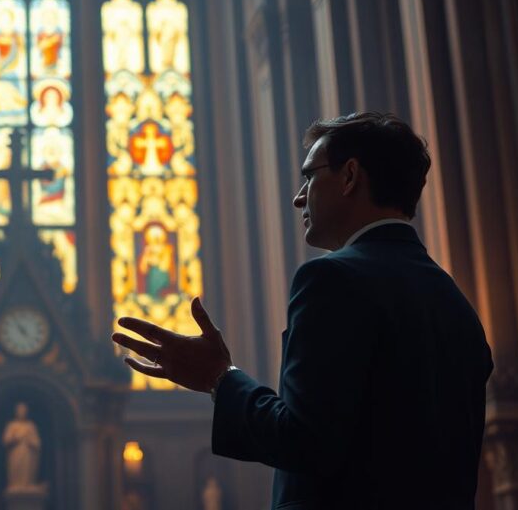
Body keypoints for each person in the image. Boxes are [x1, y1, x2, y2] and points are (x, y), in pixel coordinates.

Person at [113, 112, 493, 508]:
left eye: (309, 176)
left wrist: (219, 378)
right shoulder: (456, 304)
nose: (298, 197)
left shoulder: (332, 280)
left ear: (349, 176)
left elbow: (306, 441)